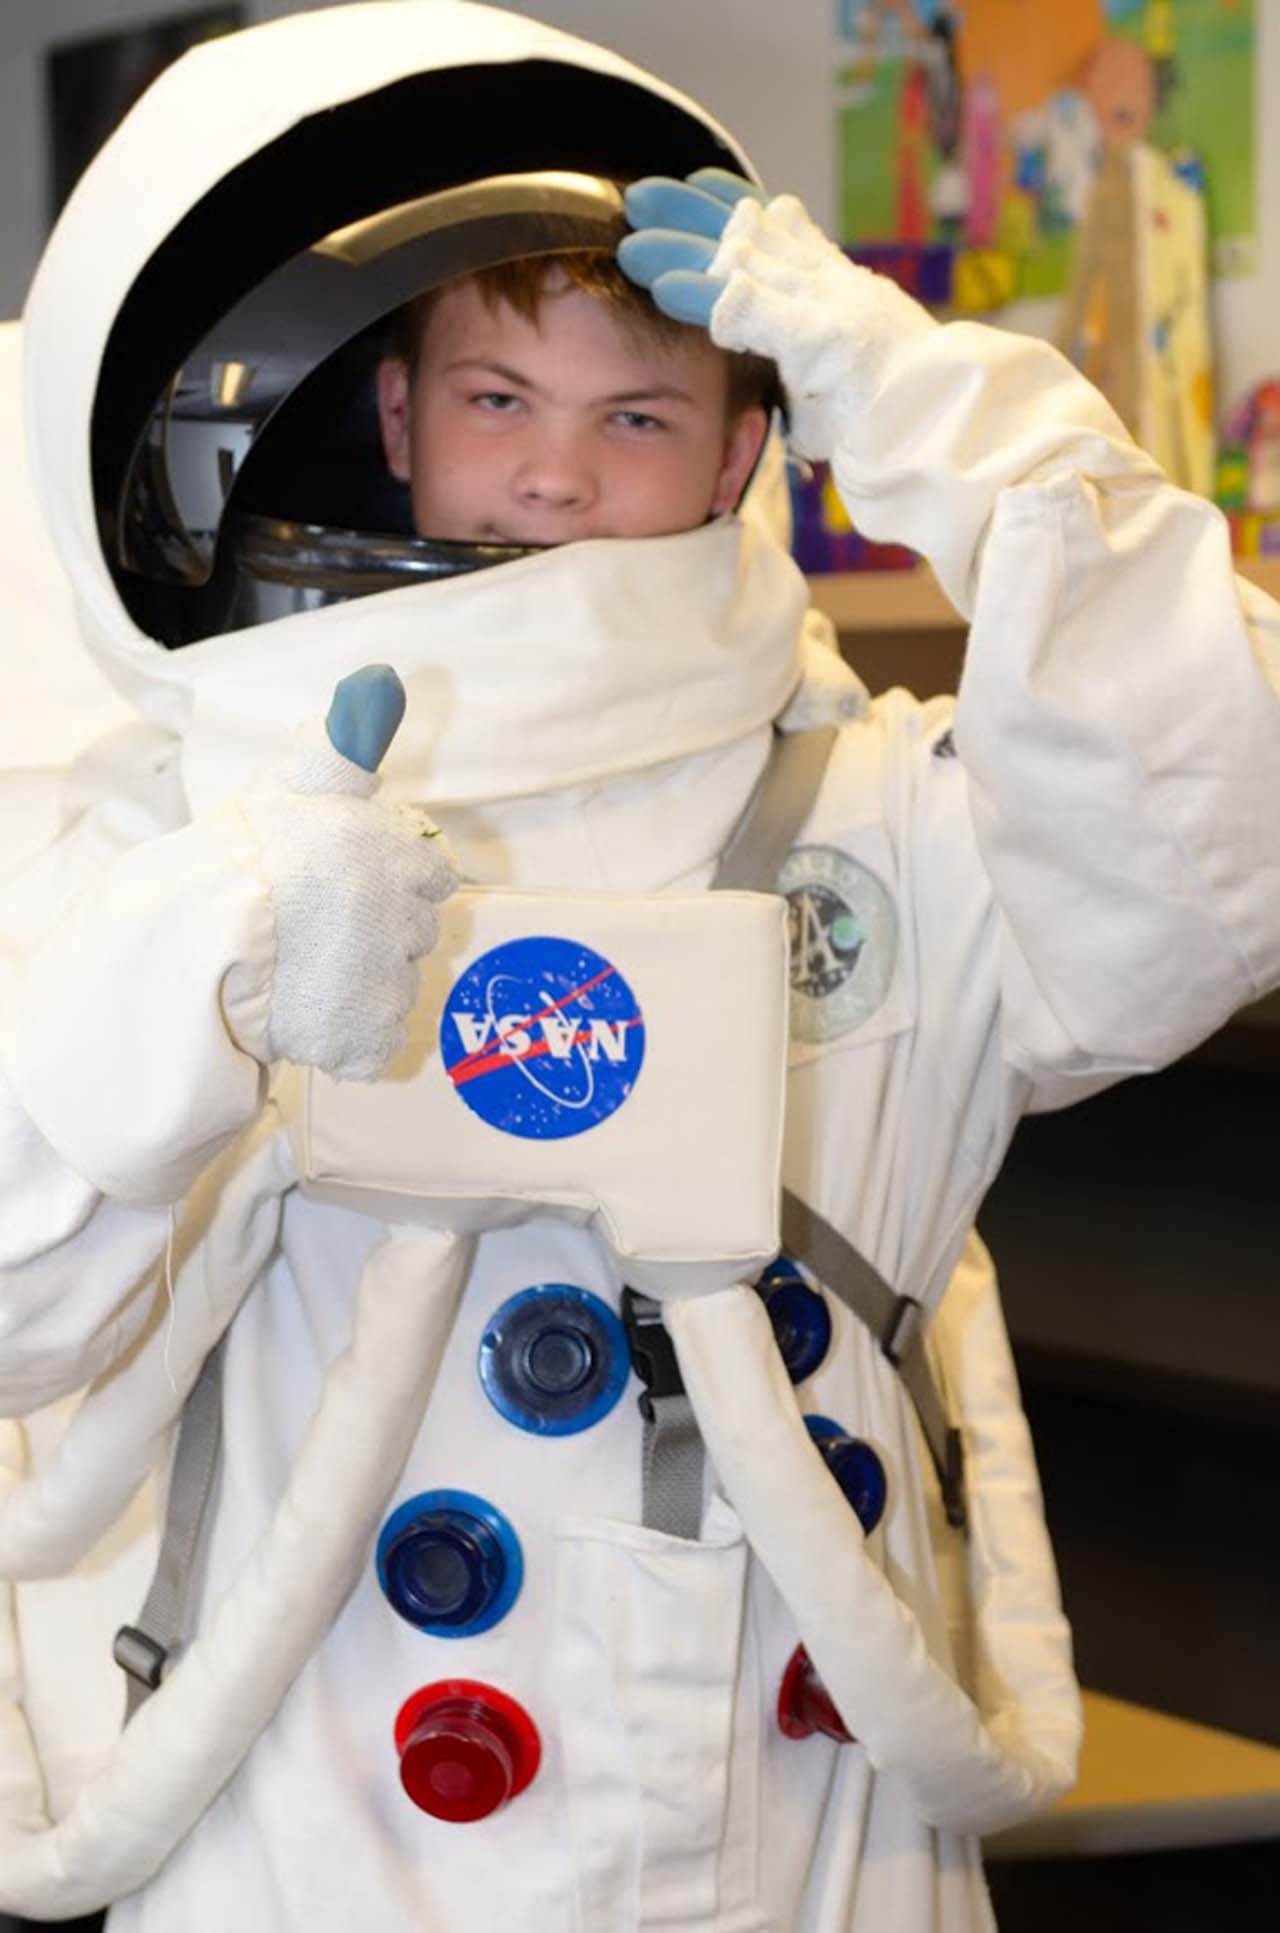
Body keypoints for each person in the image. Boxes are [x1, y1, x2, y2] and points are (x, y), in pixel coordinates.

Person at [0, 5, 1276, 1930]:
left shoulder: (883, 820)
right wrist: (222, 957)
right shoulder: (190, 828)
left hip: (816, 1844)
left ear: (751, 442)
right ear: (396, 419)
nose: (556, 480)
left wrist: (953, 425)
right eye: (498, 401)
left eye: (638, 417)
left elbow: (1221, 835)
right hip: (323, 1840)